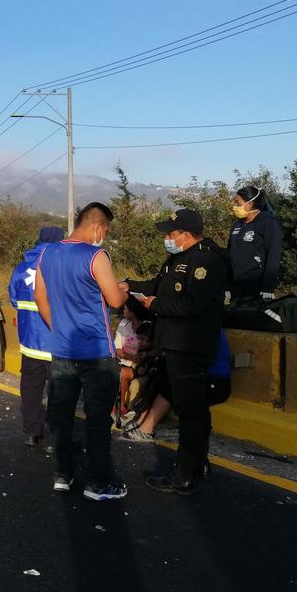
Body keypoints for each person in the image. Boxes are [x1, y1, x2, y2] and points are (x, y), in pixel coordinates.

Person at [120, 208, 229, 494]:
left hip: (191, 345)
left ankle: (182, 475)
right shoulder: (178, 258)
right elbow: (157, 285)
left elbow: (193, 305)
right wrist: (129, 286)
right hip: (175, 343)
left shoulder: (208, 261)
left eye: (171, 233)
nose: (167, 238)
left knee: (189, 410)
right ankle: (198, 463)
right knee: (195, 406)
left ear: (187, 234)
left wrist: (154, 305)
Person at [34, 202, 130, 501]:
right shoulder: (96, 256)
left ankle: (63, 474)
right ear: (98, 227)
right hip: (97, 353)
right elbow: (114, 301)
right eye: (106, 230)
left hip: (63, 350)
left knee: (61, 415)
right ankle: (98, 483)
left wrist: (59, 328)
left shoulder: (47, 253)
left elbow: (40, 298)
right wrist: (124, 289)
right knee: (98, 419)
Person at [124, 329, 232, 452]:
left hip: (214, 383)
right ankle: (142, 421)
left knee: (170, 384)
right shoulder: (202, 327)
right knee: (163, 378)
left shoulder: (202, 331)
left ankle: (146, 428)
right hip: (202, 378)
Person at [7, 226, 64, 449]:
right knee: (59, 392)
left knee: (31, 389)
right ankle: (55, 438)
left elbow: (13, 300)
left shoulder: (21, 268)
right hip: (56, 343)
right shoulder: (60, 267)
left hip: (30, 342)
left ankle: (32, 432)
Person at [227, 185, 283, 304]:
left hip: (256, 286)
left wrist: (268, 287)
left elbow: (274, 255)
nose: (235, 207)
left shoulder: (269, 224)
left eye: (238, 203)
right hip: (235, 286)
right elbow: (229, 254)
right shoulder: (237, 225)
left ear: (250, 204)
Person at [114, 304, 141, 418]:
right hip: (126, 362)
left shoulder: (147, 326)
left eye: (126, 309)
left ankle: (121, 407)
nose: (123, 311)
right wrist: (131, 357)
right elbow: (117, 349)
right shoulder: (123, 324)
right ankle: (117, 407)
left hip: (140, 366)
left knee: (123, 373)